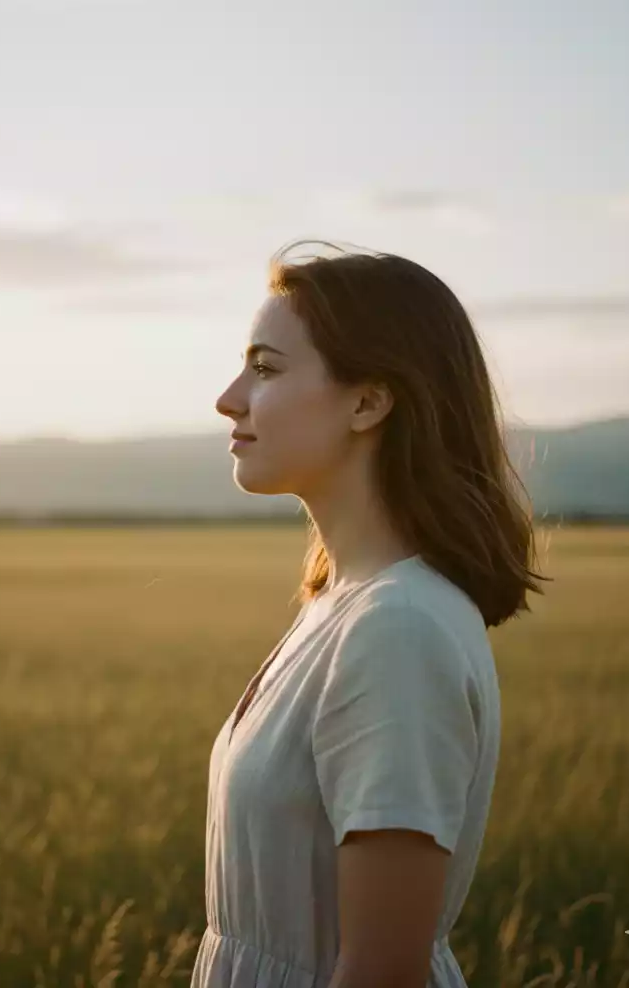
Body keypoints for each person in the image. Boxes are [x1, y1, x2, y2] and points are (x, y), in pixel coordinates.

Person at [194, 240, 549, 988]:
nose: (229, 398)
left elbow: (383, 971)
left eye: (265, 368)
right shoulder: (339, 605)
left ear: (368, 401)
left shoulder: (397, 630)